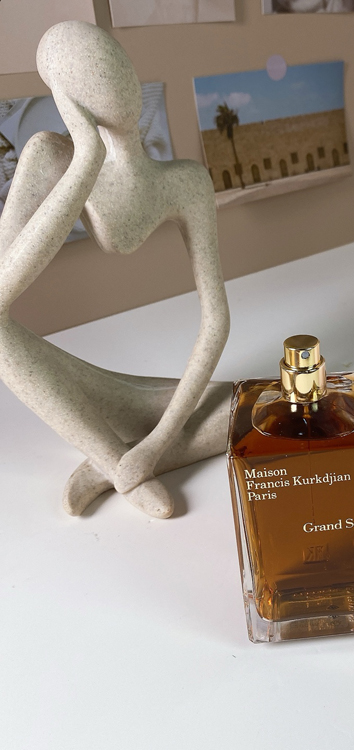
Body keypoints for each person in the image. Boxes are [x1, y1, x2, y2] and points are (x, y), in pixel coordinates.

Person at [0, 22, 231, 518]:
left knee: (253, 410)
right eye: (87, 73)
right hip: (73, 383)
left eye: (114, 61)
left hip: (125, 399)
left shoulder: (185, 182)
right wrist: (86, 158)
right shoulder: (52, 156)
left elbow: (215, 321)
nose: (115, 79)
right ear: (68, 95)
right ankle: (112, 459)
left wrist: (156, 444)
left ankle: (113, 464)